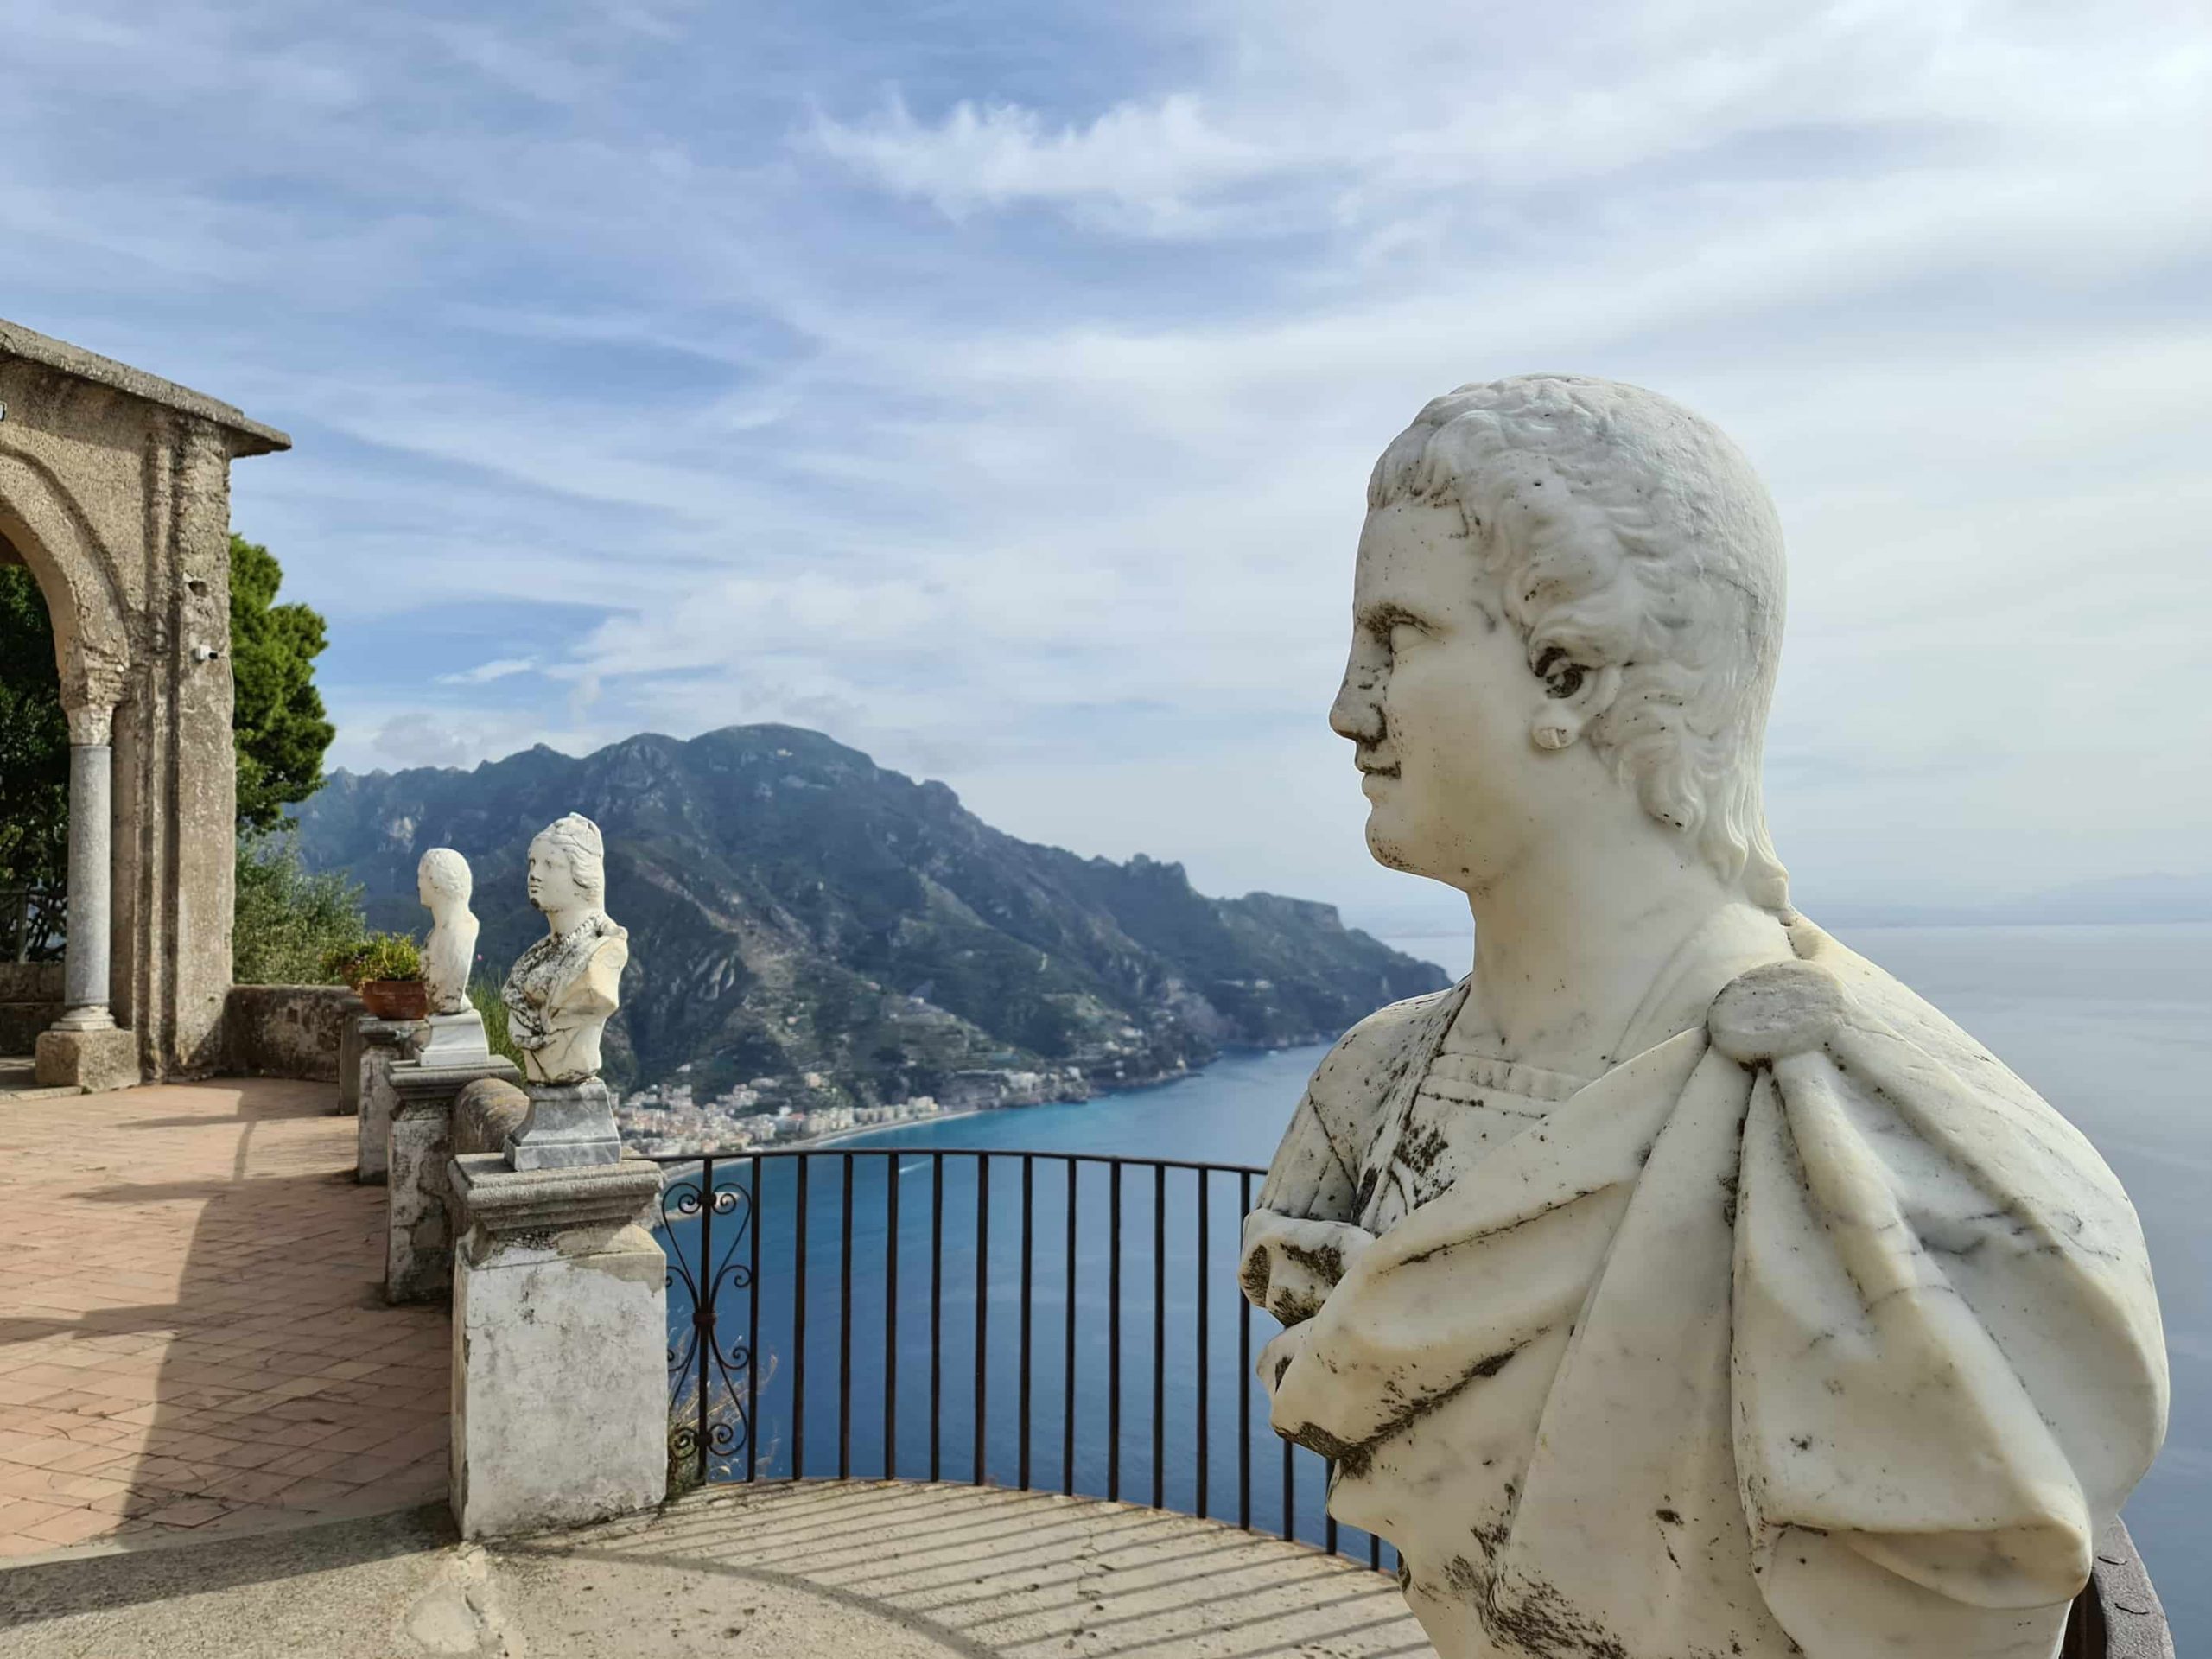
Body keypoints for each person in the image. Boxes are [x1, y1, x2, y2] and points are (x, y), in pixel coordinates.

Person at [1240, 374, 2167, 1659]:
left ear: (1569, 674)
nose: (1350, 707)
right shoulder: (1364, 1089)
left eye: (1397, 637)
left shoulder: (1892, 1162)